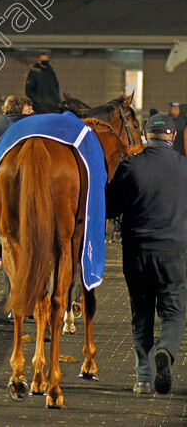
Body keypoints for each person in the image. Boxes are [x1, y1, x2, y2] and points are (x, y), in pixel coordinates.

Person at [106, 113, 187, 395]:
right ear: (173, 137)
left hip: (137, 252)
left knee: (141, 314)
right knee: (175, 312)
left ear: (145, 137)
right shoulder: (184, 168)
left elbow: (110, 208)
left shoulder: (131, 167)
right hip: (174, 252)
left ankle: (143, 377)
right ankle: (165, 349)